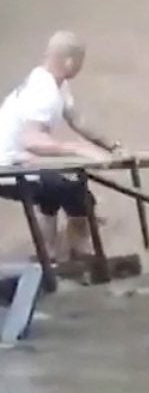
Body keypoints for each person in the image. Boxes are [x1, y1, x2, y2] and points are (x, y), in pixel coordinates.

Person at [0, 31, 120, 260]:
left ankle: (49, 256)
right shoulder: (43, 91)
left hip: (18, 163)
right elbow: (32, 140)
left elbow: (78, 120)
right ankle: (78, 254)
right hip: (8, 169)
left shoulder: (54, 83)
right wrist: (78, 149)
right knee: (78, 195)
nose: (80, 68)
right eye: (80, 63)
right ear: (70, 62)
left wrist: (111, 146)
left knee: (53, 191)